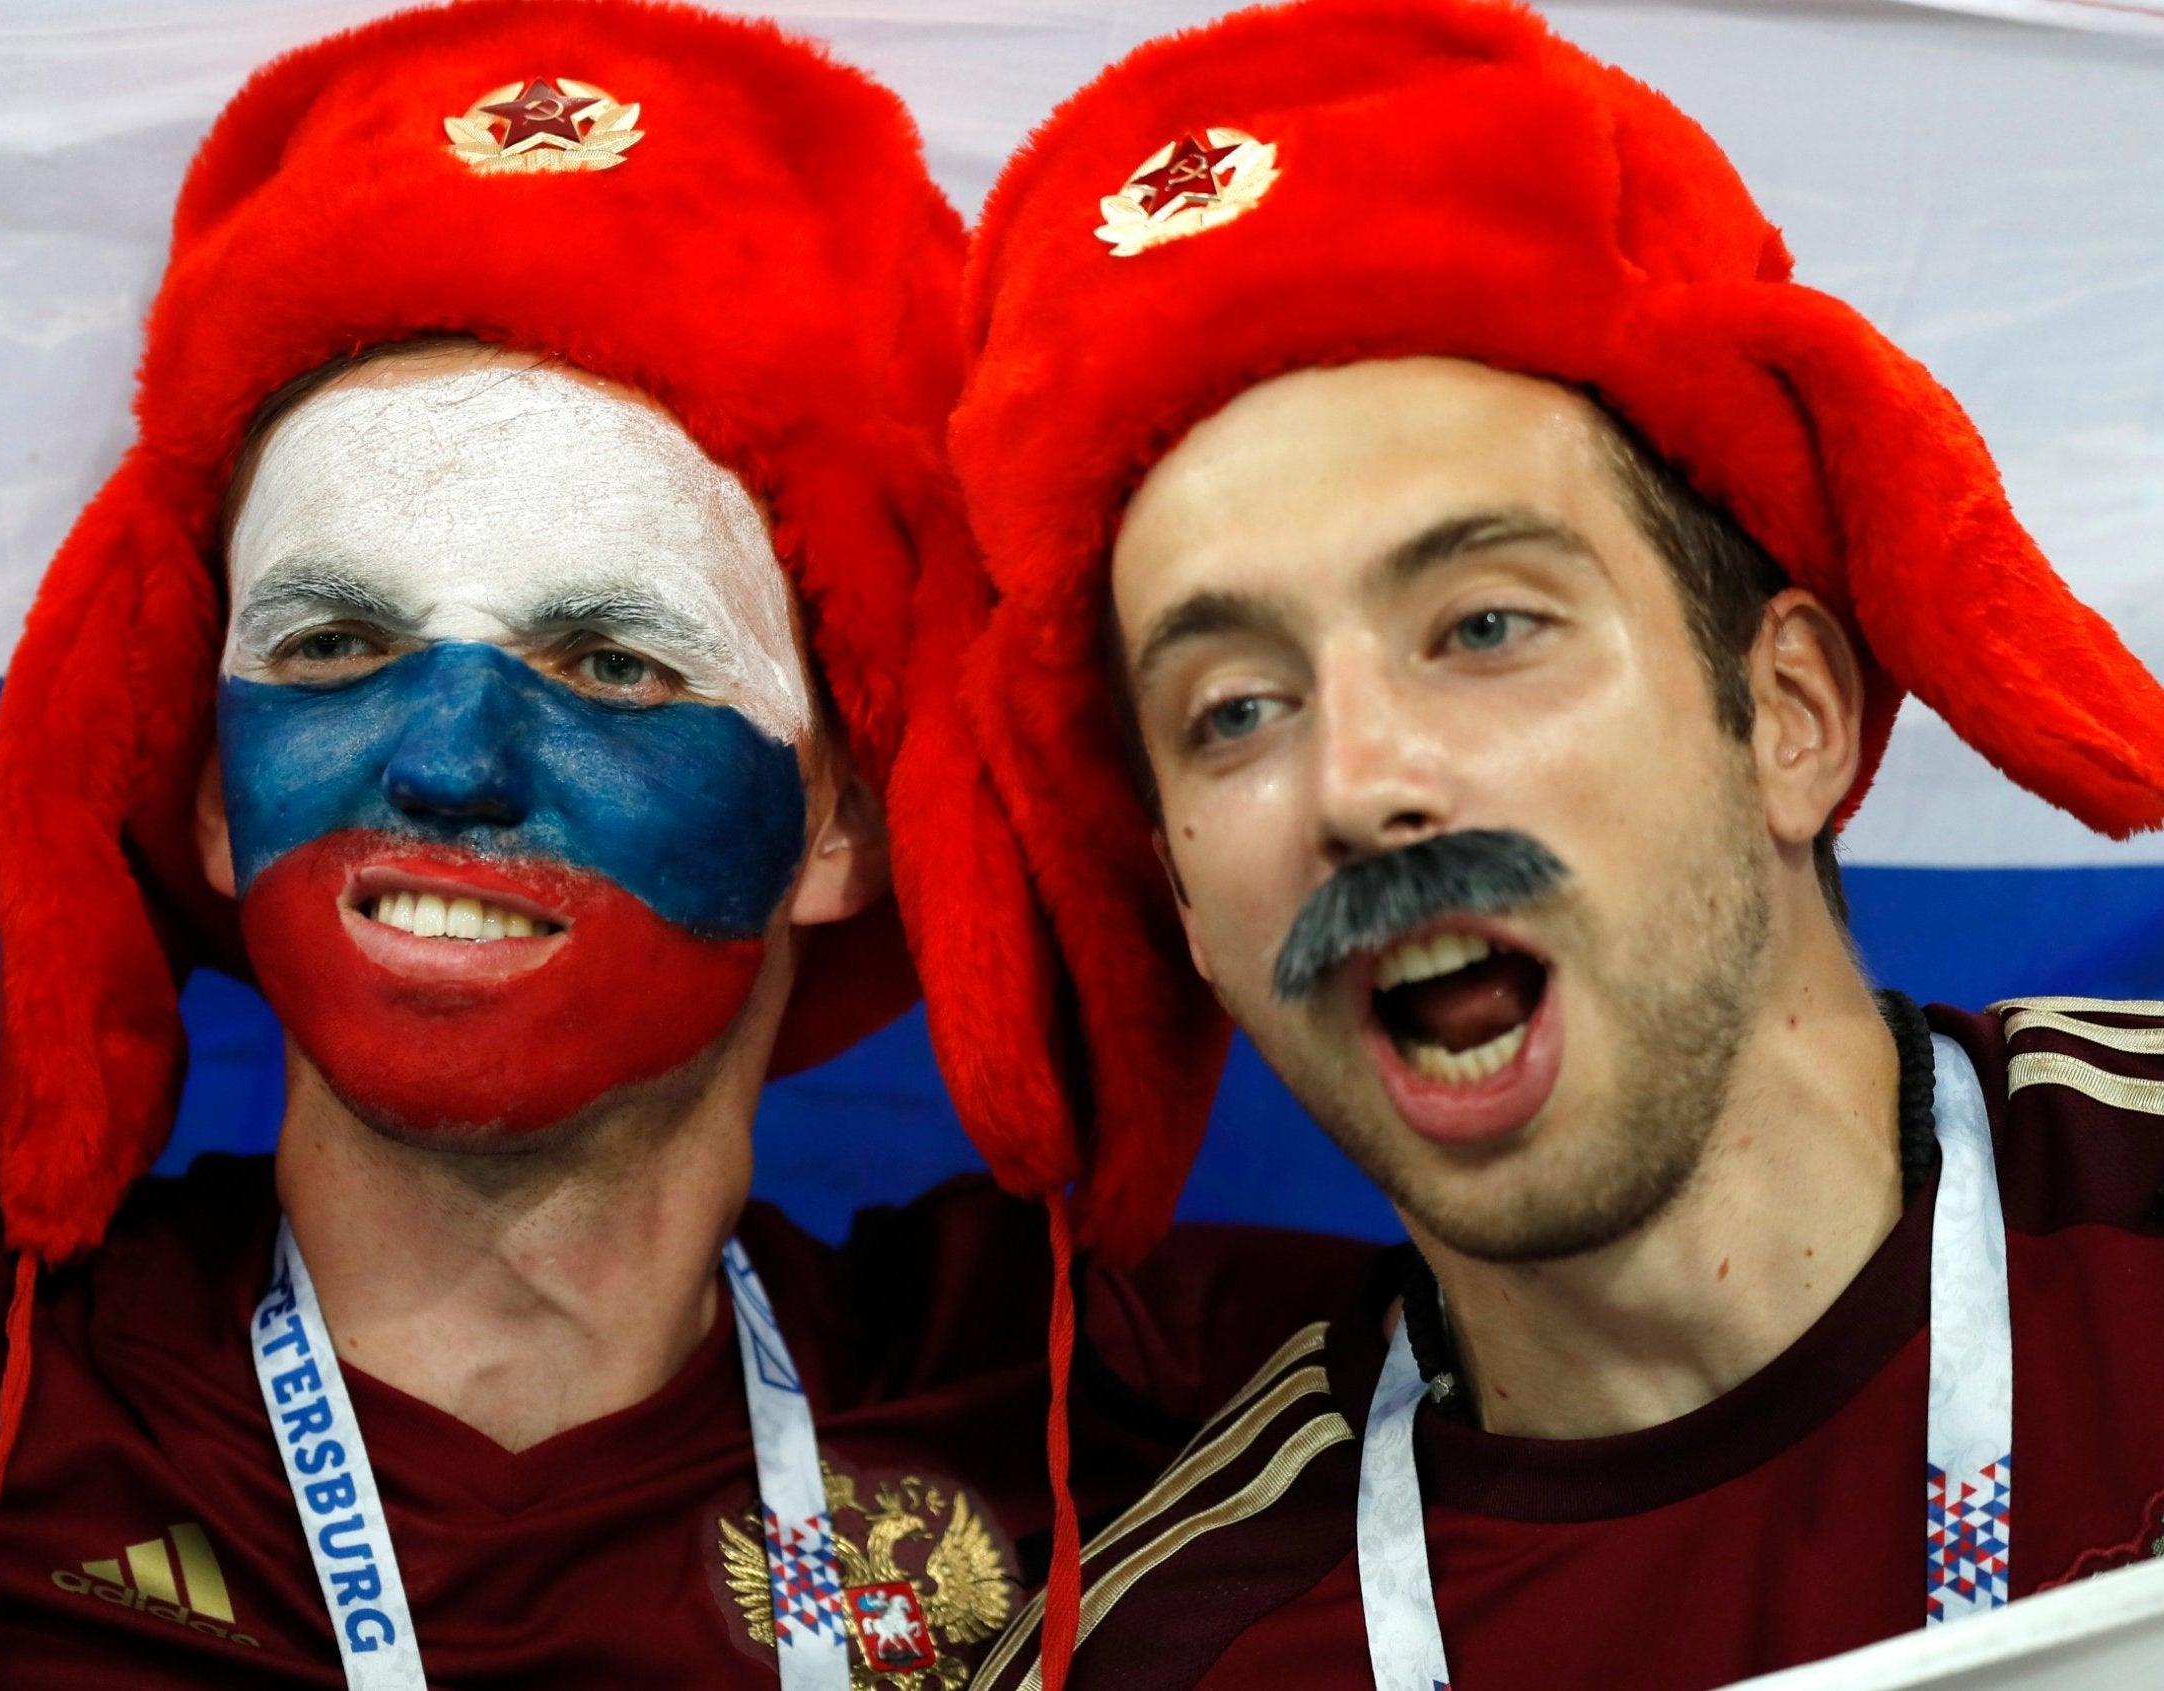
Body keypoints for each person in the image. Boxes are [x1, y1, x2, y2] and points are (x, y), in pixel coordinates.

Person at [0, 4, 1371, 1686]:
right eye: (333, 647)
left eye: (612, 660)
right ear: (218, 801)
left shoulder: (1121, 1399)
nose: (448, 759)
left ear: (839, 822)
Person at [896, 1, 2164, 1686]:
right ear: (1185, 904)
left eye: (1485, 626)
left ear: (1792, 714)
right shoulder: (1175, 1659)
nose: (1359, 782)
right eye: (1234, 711)